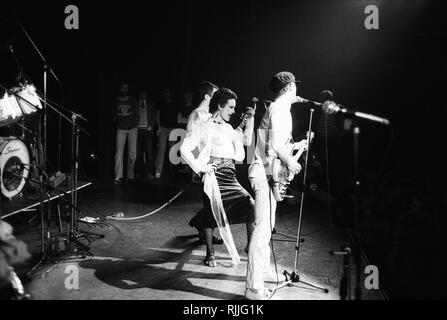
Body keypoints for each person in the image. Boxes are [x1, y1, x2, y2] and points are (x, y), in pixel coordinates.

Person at [180, 88, 255, 267]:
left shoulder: (229, 128)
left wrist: (250, 121)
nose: (233, 111)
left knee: (250, 204)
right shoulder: (204, 126)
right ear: (220, 106)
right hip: (213, 175)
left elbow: (242, 150)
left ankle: (250, 247)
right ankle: (210, 253)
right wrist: (201, 168)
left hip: (230, 174)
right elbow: (185, 149)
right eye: (230, 107)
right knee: (209, 213)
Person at [245, 71, 304, 300]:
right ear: (289, 88)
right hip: (264, 173)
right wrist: (290, 161)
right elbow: (275, 145)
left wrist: (298, 146)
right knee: (261, 233)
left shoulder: (276, 109)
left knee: (266, 228)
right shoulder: (280, 109)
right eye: (295, 87)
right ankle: (253, 288)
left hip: (266, 171)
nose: (297, 91)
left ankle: (261, 274)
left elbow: (273, 144)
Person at [113, 83, 139, 184]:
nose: (124, 89)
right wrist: (119, 123)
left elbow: (137, 113)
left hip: (132, 128)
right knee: (119, 153)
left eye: (126, 88)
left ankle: (130, 175)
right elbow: (113, 115)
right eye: (123, 88)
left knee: (133, 154)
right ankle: (118, 176)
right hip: (121, 129)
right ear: (120, 89)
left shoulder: (132, 100)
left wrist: (135, 123)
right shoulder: (115, 101)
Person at [154, 88, 178, 179]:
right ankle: (158, 170)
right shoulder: (161, 103)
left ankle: (172, 170)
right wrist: (159, 127)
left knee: (172, 150)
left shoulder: (174, 103)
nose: (166, 94)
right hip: (163, 128)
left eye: (168, 92)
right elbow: (157, 115)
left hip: (172, 129)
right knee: (162, 149)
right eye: (165, 92)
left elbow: (177, 116)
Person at [136, 89, 156, 179]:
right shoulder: (136, 103)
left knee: (149, 153)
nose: (143, 94)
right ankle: (138, 172)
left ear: (146, 94)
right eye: (141, 93)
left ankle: (149, 172)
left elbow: (154, 117)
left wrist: (150, 126)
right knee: (138, 153)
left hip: (147, 130)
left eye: (144, 93)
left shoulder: (150, 104)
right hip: (137, 130)